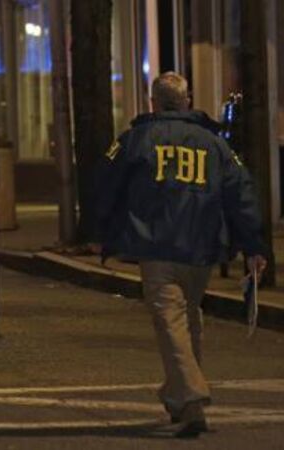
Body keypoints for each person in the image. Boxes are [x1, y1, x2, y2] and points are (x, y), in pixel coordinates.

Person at [94, 72, 267, 438]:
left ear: (153, 102)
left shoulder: (135, 140)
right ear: (187, 101)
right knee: (188, 319)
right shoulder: (214, 144)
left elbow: (105, 185)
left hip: (156, 245)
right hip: (201, 248)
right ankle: (178, 399)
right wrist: (253, 245)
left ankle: (190, 399)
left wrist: (103, 231)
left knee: (171, 322)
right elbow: (241, 193)